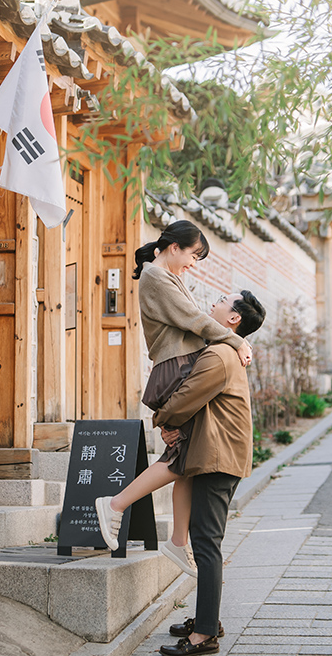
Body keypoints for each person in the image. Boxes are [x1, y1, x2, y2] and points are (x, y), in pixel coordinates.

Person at [94, 220, 254, 579]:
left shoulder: (168, 275)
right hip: (174, 368)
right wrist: (235, 340)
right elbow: (193, 318)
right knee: (179, 457)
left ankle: (178, 541)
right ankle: (115, 504)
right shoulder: (155, 276)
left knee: (186, 458)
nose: (194, 263)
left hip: (181, 365)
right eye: (193, 255)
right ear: (174, 247)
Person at [151, 290, 265, 656]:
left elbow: (186, 396)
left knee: (206, 543)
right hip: (215, 453)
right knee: (205, 542)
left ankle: (205, 635)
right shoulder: (225, 350)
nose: (213, 302)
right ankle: (206, 620)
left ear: (234, 319)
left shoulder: (219, 354)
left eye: (221, 300)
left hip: (218, 457)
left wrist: (163, 419)